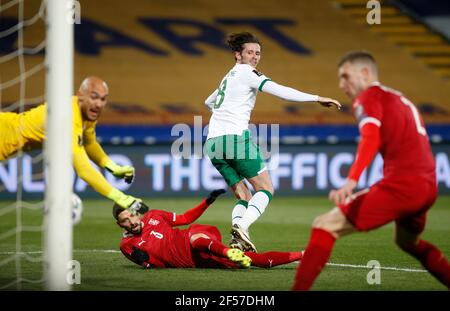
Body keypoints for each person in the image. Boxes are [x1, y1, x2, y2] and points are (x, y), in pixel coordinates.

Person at [292, 51, 450, 290]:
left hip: (404, 185)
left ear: (365, 73)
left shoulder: (367, 98)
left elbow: (370, 137)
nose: (341, 85)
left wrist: (351, 181)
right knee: (408, 242)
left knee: (325, 224)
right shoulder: (399, 98)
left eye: (346, 77)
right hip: (427, 187)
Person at [204, 32, 342, 252]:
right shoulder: (248, 73)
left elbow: (208, 101)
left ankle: (238, 240)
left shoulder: (228, 77)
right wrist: (316, 98)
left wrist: (224, 115)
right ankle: (241, 226)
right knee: (266, 189)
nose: (255, 57)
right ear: (237, 55)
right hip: (233, 139)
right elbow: (281, 92)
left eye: (258, 53)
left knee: (244, 195)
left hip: (212, 144)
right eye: (250, 52)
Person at [0, 76, 141, 210]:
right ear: (80, 95)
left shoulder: (87, 112)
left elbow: (89, 142)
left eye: (103, 99)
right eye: (94, 97)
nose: (98, 104)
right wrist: (120, 197)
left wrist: (112, 167)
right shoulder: (67, 118)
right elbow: (83, 169)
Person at [114, 189, 303, 269]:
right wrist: (147, 262)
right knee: (257, 261)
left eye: (131, 215)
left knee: (196, 239)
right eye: (125, 220)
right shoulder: (127, 245)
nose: (130, 221)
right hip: (195, 260)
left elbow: (186, 218)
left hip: (198, 234)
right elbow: (158, 265)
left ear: (135, 212)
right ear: (120, 225)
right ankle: (305, 253)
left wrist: (207, 201)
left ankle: (230, 251)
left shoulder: (153, 215)